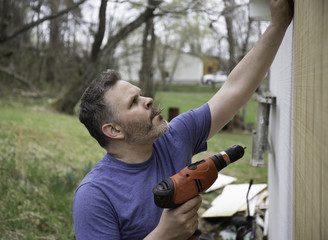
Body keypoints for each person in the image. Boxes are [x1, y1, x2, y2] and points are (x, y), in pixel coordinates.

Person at [73, 0, 293, 239]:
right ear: (114, 130)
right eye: (134, 102)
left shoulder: (174, 137)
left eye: (140, 93)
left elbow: (234, 88)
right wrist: (163, 235)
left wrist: (278, 24)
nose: (147, 99)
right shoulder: (94, 196)